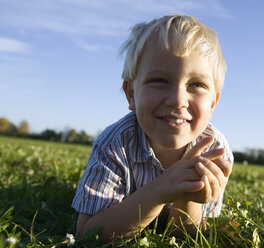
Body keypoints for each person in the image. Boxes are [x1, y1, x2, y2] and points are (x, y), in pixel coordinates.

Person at [71, 14, 233, 243]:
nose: (178, 100)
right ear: (131, 93)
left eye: (196, 84)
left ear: (213, 103)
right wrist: (160, 191)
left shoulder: (215, 149)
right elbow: (88, 234)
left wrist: (189, 197)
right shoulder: (116, 143)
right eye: (159, 80)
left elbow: (184, 236)